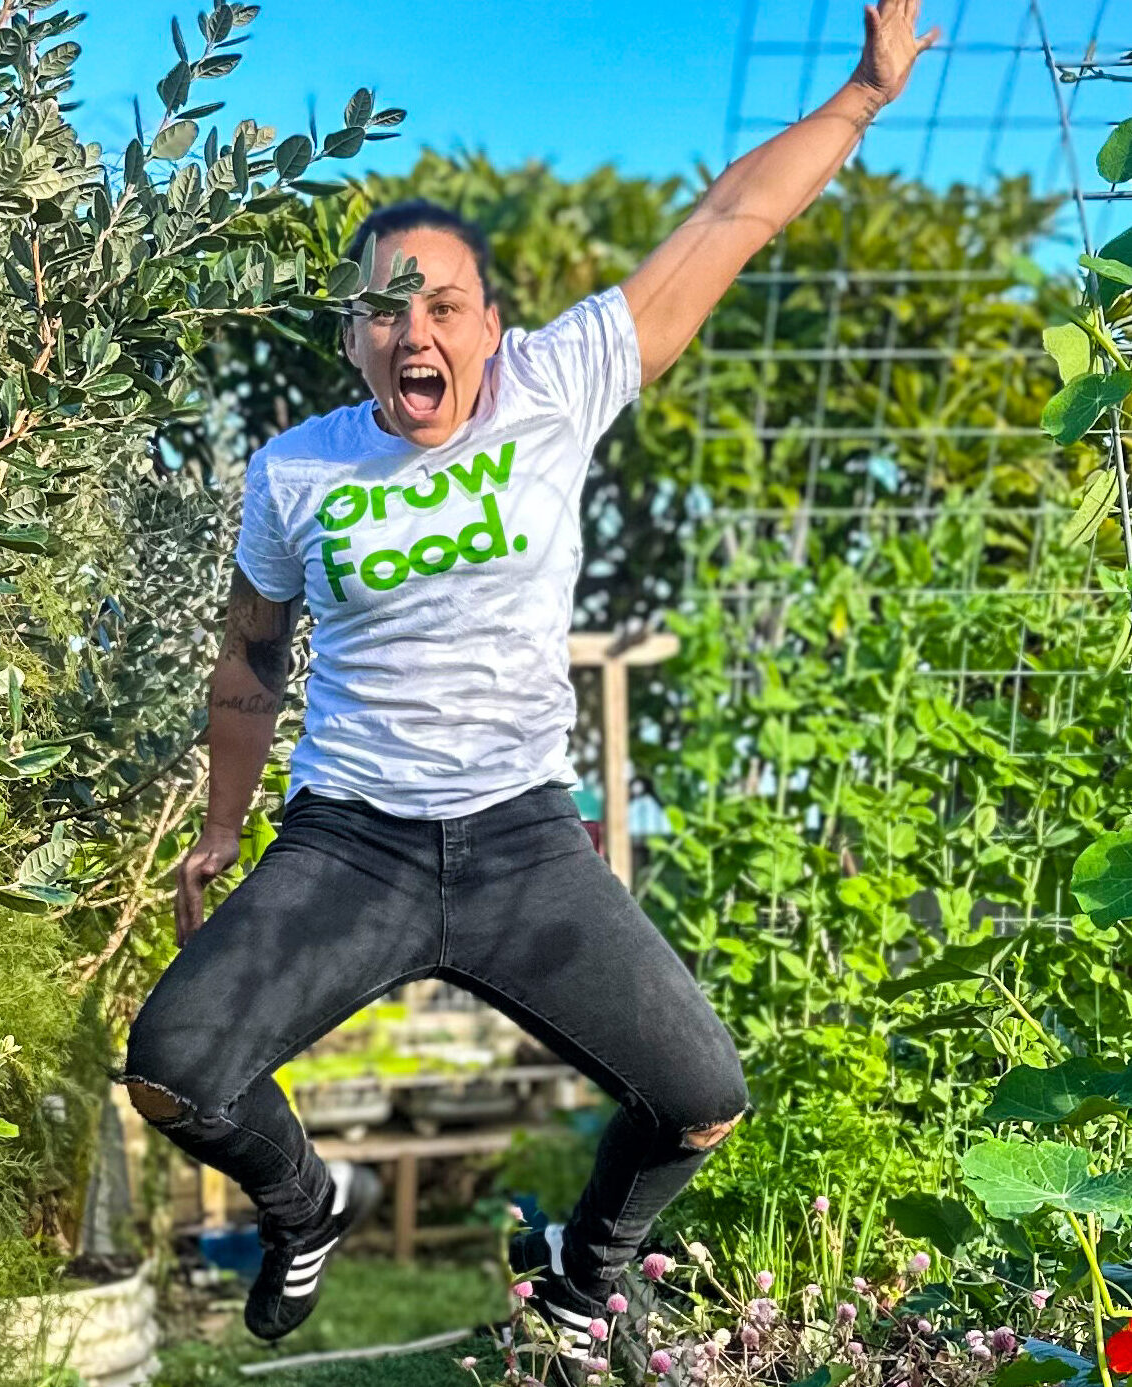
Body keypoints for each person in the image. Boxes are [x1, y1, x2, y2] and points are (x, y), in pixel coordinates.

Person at [116, 0, 936, 1367]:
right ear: (354, 337)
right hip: (351, 846)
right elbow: (251, 658)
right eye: (385, 308)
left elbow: (731, 219)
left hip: (520, 842)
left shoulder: (562, 383)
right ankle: (303, 1201)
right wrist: (221, 824)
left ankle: (584, 1278)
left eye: (441, 303)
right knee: (174, 1067)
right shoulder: (296, 471)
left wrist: (863, 93)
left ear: (491, 324)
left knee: (701, 1098)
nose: (412, 329)